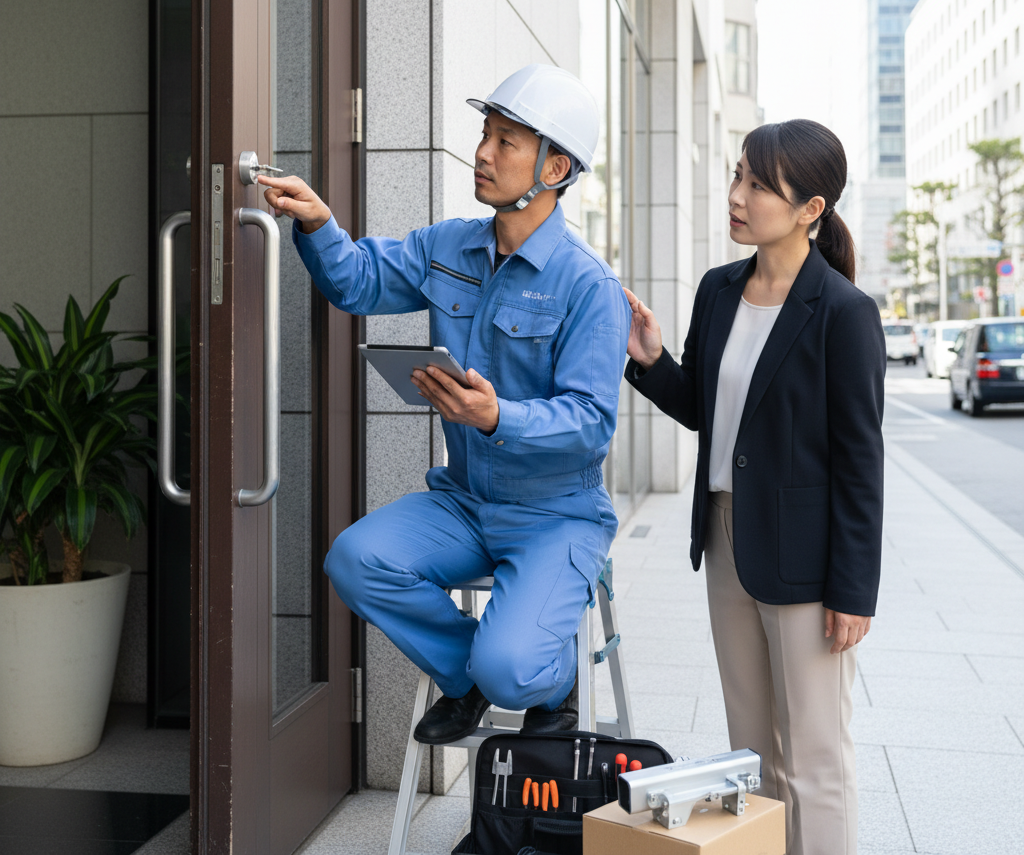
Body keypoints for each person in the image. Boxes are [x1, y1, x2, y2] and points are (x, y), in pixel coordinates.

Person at [259, 64, 630, 744]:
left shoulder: (589, 287)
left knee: (518, 669)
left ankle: (539, 676)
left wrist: (497, 417)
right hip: (463, 500)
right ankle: (473, 676)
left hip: (556, 516)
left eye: (506, 142)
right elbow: (359, 284)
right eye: (485, 135)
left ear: (554, 169)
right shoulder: (448, 245)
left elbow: (590, 426)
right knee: (355, 559)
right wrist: (317, 224)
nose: (483, 153)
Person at [623, 120, 885, 855]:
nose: (737, 197)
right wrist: (651, 362)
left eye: (758, 186)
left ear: (811, 209)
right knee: (753, 746)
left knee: (814, 757)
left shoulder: (843, 313)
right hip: (727, 540)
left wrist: (853, 591)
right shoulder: (718, 290)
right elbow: (711, 414)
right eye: (737, 177)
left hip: (806, 559)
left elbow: (862, 465)